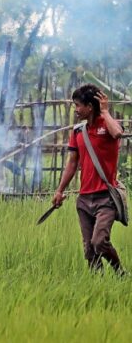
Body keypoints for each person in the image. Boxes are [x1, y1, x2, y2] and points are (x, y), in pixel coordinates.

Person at [53, 84, 125, 273]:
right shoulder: (77, 132)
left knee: (99, 242)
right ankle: (97, 284)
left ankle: (120, 273)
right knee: (89, 251)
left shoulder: (107, 126)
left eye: (78, 105)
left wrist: (106, 112)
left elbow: (118, 133)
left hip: (105, 198)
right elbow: (71, 163)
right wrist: (60, 190)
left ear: (89, 107)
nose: (76, 110)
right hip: (84, 199)